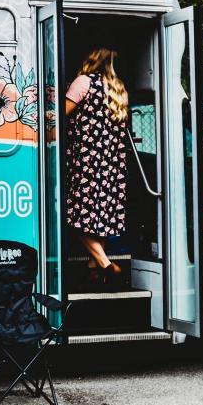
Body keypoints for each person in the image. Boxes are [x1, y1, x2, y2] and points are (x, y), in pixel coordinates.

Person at [64, 48, 129, 287]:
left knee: (75, 215)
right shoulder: (118, 90)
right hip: (111, 163)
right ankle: (94, 271)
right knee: (99, 217)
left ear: (91, 61)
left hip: (86, 161)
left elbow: (61, 115)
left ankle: (106, 265)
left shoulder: (84, 82)